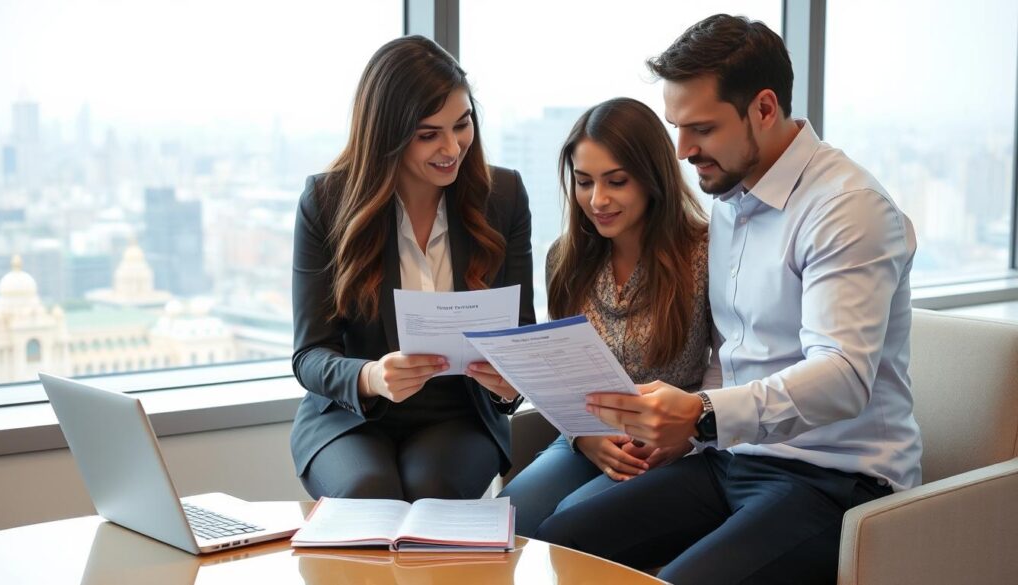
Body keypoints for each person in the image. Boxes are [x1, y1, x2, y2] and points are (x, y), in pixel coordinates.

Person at [535, 14, 922, 585]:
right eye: (677, 127)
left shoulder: (847, 208)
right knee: (560, 540)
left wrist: (703, 414)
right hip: (732, 457)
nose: (683, 150)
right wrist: (689, 429)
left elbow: (843, 377)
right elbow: (733, 351)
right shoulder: (730, 201)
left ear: (764, 109)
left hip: (836, 478)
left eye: (701, 129)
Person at [288, 35, 535, 503]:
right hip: (350, 413)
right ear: (387, 135)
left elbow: (520, 333)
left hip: (460, 412)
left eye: (462, 124)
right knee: (368, 491)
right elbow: (310, 355)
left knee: (431, 492)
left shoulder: (502, 196)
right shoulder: (325, 202)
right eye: (428, 134)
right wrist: (371, 376)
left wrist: (510, 382)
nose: (452, 147)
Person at [497, 97, 712, 536]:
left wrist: (688, 434)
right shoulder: (565, 259)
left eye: (616, 181)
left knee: (568, 522)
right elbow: (560, 374)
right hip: (586, 437)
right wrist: (584, 437)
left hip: (672, 445)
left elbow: (732, 366)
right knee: (503, 519)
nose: (597, 200)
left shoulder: (703, 253)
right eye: (584, 182)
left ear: (652, 178)